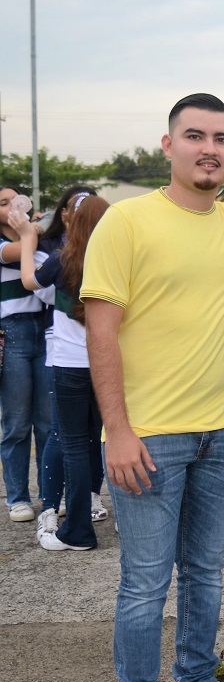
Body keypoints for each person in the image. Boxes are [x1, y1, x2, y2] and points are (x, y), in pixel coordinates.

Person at [82, 93, 224, 682]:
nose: (209, 148)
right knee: (143, 587)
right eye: (195, 136)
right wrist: (118, 431)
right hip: (148, 440)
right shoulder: (127, 221)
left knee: (208, 574)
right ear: (168, 144)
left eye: (221, 137)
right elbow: (101, 330)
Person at [10, 194, 109, 550]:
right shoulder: (119, 260)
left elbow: (29, 282)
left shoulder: (61, 259)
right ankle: (112, 519)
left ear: (73, 222)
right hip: (109, 364)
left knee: (74, 446)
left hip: (68, 365)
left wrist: (26, 239)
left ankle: (78, 531)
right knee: (103, 439)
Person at [0, 187, 55, 523]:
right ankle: (18, 497)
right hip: (14, 333)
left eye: (15, 200)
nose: (12, 206)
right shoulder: (12, 242)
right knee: (16, 423)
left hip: (45, 328)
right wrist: (32, 229)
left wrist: (35, 229)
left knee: (49, 423)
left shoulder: (35, 234)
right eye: (3, 203)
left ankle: (50, 495)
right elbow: (22, 250)